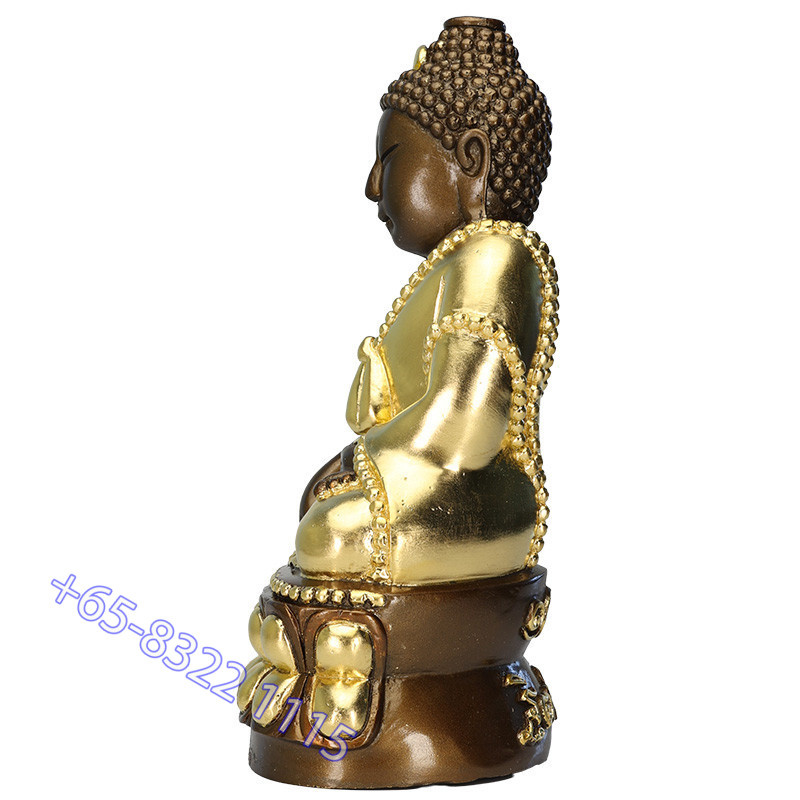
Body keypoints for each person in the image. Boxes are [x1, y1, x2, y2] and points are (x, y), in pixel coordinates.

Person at [294, 16, 558, 586]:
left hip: (470, 494)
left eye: (389, 157)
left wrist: (355, 459)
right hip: (421, 480)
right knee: (323, 522)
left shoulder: (495, 256)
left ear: (471, 161)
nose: (372, 185)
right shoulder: (453, 265)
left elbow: (465, 422)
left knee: (331, 534)